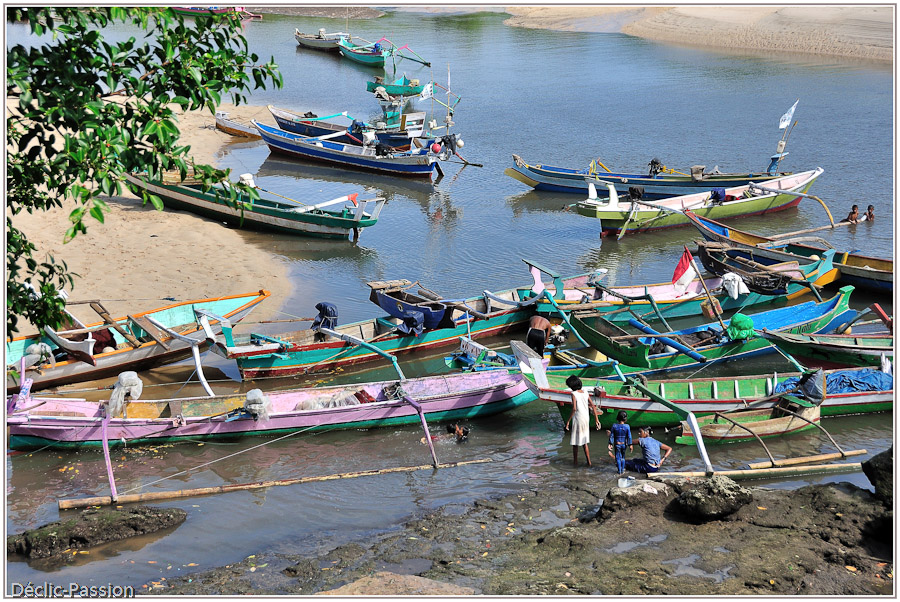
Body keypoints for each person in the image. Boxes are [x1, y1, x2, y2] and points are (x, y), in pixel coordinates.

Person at [564, 375, 601, 467]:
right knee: (584, 442)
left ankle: (575, 463)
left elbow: (574, 408)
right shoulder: (585, 392)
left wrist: (568, 421)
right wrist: (597, 419)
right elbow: (592, 405)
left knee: (575, 443)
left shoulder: (573, 394)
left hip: (578, 418)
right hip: (585, 418)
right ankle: (589, 462)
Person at [608, 410, 632, 475]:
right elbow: (629, 436)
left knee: (618, 457)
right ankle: (622, 469)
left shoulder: (614, 426)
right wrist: (630, 445)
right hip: (624, 444)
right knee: (623, 457)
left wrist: (610, 443)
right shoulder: (627, 426)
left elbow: (612, 435)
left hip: (617, 444)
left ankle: (619, 471)